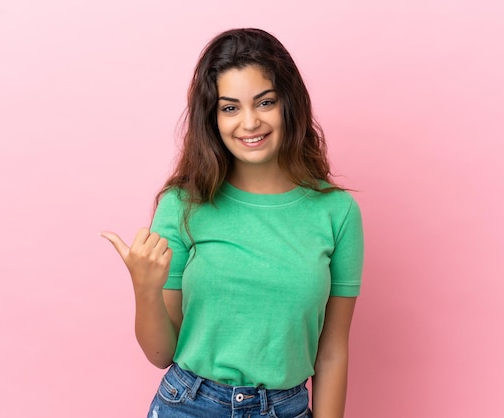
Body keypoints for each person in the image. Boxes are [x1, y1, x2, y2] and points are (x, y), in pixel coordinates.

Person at [100, 28, 364, 418]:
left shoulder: (337, 213)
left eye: (265, 102)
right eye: (230, 107)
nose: (250, 122)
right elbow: (161, 354)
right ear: (213, 117)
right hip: (189, 405)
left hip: (286, 408)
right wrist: (145, 287)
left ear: (289, 104)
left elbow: (332, 352)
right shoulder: (182, 204)